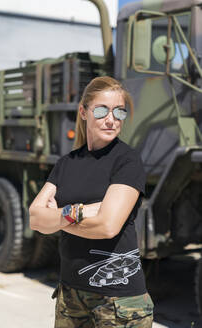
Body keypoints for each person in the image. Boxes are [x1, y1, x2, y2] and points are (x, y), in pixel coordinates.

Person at [29, 76, 154, 328]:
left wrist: (57, 220)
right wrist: (86, 211)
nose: (111, 119)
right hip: (70, 297)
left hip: (119, 302)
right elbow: (35, 218)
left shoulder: (127, 161)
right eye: (101, 110)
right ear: (83, 112)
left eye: (119, 112)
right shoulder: (66, 164)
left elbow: (107, 226)